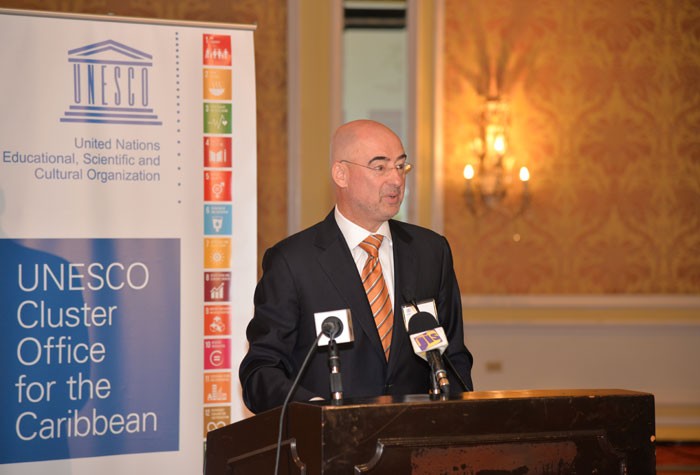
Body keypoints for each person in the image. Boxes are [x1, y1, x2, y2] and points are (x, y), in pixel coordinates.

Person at [239, 119, 473, 414]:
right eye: (380, 167)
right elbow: (261, 371)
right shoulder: (292, 262)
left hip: (415, 443)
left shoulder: (431, 252)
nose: (397, 180)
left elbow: (454, 357)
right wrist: (315, 414)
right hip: (328, 448)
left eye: (401, 166)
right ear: (341, 174)